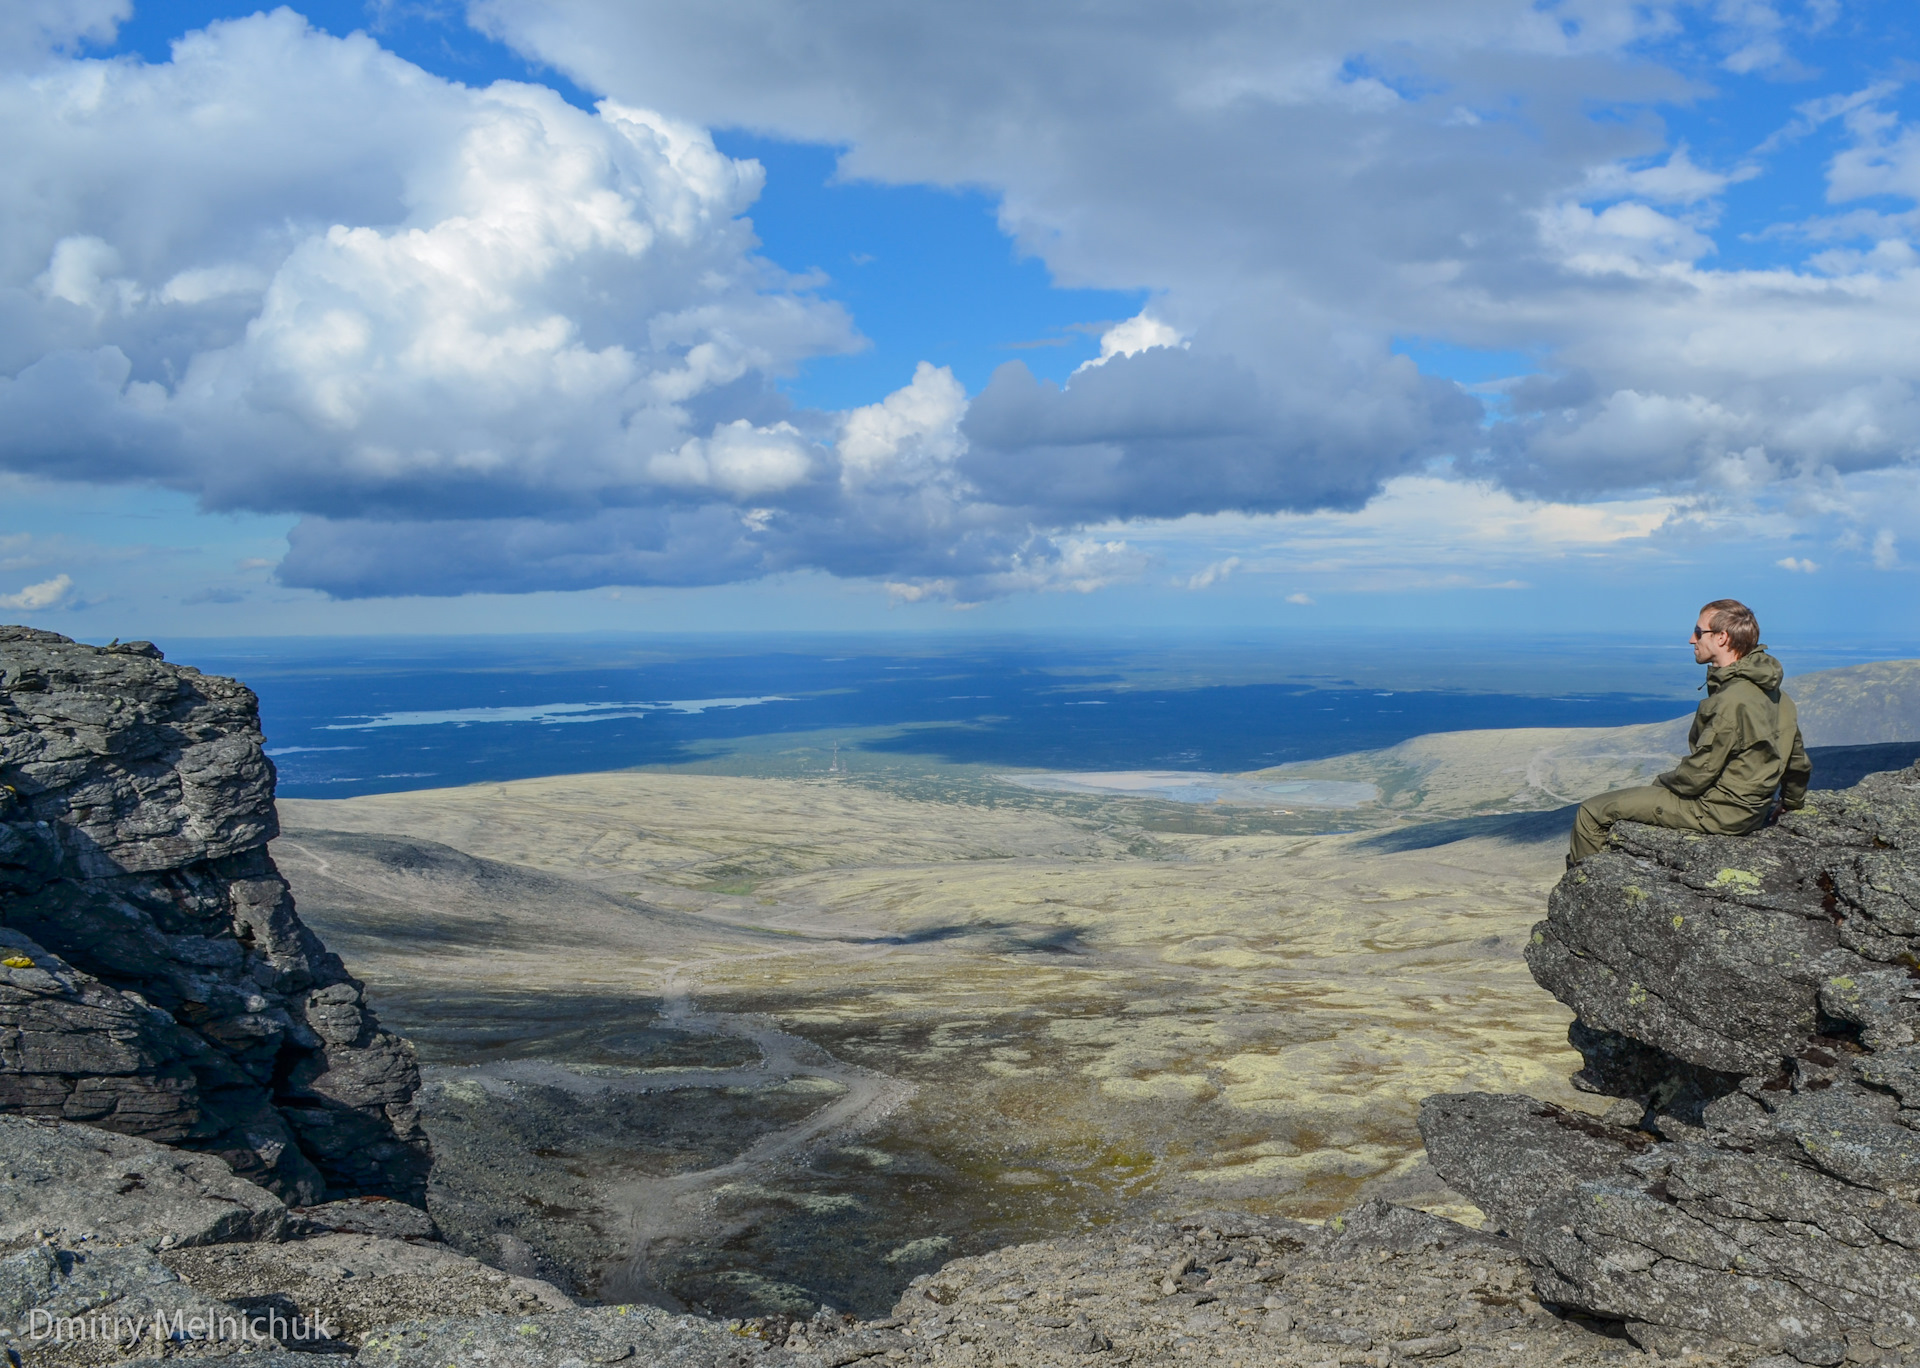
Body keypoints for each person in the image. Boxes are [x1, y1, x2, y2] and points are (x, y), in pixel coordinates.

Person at [1566, 599, 1812, 866]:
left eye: (1698, 632)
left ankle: (1583, 881)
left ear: (1721, 637)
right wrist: (1790, 803)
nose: (1691, 640)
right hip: (1751, 811)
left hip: (1716, 812)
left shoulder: (1730, 701)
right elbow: (1796, 761)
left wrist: (1659, 786)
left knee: (1592, 811)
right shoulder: (1778, 695)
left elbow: (1697, 775)